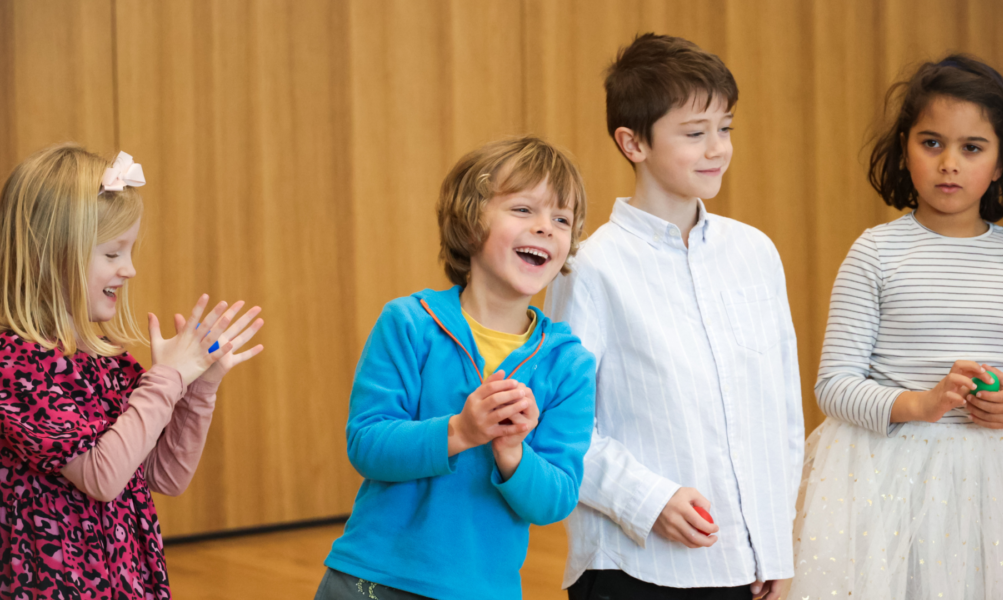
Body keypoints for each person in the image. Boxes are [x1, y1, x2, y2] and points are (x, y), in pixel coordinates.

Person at [546, 33, 803, 600]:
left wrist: (775, 540)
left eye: (725, 128)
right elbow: (560, 426)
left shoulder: (755, 253)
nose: (718, 149)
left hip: (747, 564)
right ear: (632, 142)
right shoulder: (590, 267)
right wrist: (648, 499)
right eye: (694, 133)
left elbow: (780, 415)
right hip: (630, 567)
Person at [316, 136, 596, 600]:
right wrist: (460, 431)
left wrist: (512, 452)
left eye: (561, 219)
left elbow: (556, 500)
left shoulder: (568, 363)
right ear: (469, 221)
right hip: (370, 580)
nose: (546, 227)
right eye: (524, 210)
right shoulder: (408, 322)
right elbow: (366, 445)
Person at [790, 54, 1003, 599]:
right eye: (932, 142)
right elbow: (834, 387)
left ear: (1001, 163)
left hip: (999, 485)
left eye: (972, 147)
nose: (949, 163)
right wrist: (921, 403)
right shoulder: (875, 252)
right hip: (883, 478)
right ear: (904, 148)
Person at [0, 144, 265, 598]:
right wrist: (169, 379)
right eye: (112, 254)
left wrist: (200, 388)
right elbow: (103, 476)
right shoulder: (14, 364)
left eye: (130, 252)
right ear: (51, 254)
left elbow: (163, 476)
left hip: (124, 579)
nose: (130, 269)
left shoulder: (108, 361)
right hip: (56, 584)